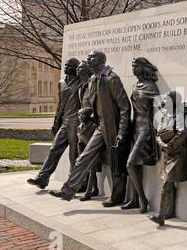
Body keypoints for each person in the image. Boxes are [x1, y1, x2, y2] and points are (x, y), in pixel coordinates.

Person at [49, 51, 131, 207]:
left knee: (116, 163)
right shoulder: (93, 79)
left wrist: (122, 131)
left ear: (100, 61)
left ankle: (117, 196)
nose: (88, 58)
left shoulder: (111, 79)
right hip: (99, 127)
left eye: (92, 57)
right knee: (83, 157)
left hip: (112, 126)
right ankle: (68, 190)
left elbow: (124, 107)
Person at [27, 58, 81, 189]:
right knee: (54, 150)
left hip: (76, 122)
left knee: (74, 154)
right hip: (64, 121)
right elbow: (60, 104)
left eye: (69, 65)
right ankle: (42, 178)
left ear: (75, 68)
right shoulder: (61, 83)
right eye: (65, 65)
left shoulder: (82, 81)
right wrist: (56, 122)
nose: (65, 67)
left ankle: (73, 183)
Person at [121, 58, 160, 213]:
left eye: (136, 66)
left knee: (130, 163)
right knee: (135, 165)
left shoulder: (151, 87)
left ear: (144, 68)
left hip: (145, 129)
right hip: (135, 129)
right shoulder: (135, 85)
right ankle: (134, 199)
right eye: (132, 66)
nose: (133, 68)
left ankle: (143, 200)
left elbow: (161, 105)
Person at [149, 91, 187, 226]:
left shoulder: (178, 116)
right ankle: (167, 213)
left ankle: (161, 215)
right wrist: (162, 144)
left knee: (167, 183)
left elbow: (182, 133)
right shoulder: (164, 116)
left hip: (176, 154)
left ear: (173, 102)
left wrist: (170, 145)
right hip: (166, 153)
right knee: (167, 183)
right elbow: (157, 134)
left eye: (167, 99)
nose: (164, 101)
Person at [76, 107, 100, 201]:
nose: (81, 116)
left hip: (94, 151)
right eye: (79, 115)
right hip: (84, 152)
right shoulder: (79, 128)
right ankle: (95, 189)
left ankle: (88, 191)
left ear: (89, 116)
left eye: (83, 114)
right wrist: (80, 155)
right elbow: (80, 142)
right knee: (89, 170)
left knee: (92, 169)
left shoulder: (93, 126)